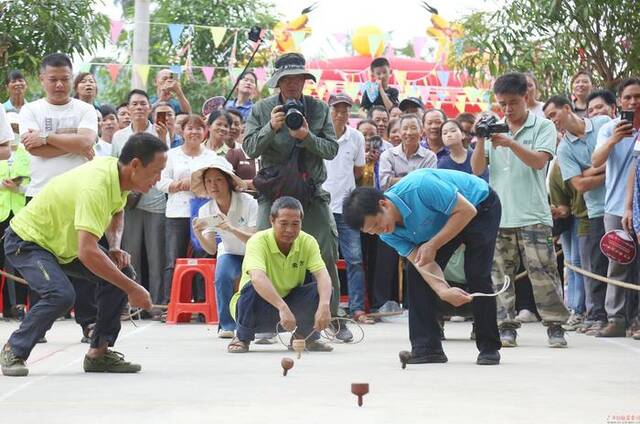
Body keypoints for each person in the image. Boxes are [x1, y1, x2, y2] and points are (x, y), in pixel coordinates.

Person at [0, 133, 167, 377]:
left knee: (120, 272)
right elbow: (87, 252)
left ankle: (99, 353)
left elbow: (117, 212)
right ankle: (14, 349)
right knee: (60, 295)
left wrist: (114, 246)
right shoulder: (96, 186)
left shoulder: (118, 175)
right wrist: (133, 289)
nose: (158, 179)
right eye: (156, 171)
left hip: (62, 243)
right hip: (29, 240)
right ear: (135, 165)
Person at [343, 168, 503, 365]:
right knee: (416, 273)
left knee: (477, 273)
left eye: (377, 224)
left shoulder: (420, 186)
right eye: (372, 231)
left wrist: (433, 244)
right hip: (444, 221)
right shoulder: (386, 233)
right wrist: (443, 291)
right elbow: (422, 263)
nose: (380, 231)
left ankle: (489, 347)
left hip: (479, 206)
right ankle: (427, 348)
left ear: (383, 204)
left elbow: (466, 210)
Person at [243, 52, 345, 337]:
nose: (292, 84)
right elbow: (250, 149)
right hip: (274, 195)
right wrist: (271, 127)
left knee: (325, 252)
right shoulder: (262, 109)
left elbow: (332, 150)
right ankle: (263, 323)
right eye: (286, 79)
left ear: (304, 81)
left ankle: (331, 318)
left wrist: (306, 136)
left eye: (297, 78)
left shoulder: (318, 109)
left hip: (311, 194)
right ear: (277, 82)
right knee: (261, 253)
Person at [471, 72, 570, 348]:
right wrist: (481, 138)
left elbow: (539, 162)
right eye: (502, 104)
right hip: (499, 215)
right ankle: (505, 327)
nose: (507, 109)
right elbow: (477, 169)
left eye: (513, 102)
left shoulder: (543, 127)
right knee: (500, 276)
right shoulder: (494, 128)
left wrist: (512, 143)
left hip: (534, 214)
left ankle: (555, 326)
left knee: (544, 273)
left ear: (526, 97)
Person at [226, 197, 333, 353]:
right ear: (272, 220)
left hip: (290, 307)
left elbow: (322, 275)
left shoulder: (308, 241)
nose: (289, 230)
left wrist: (324, 306)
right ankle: (242, 337)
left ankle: (305, 336)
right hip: (255, 310)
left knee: (323, 290)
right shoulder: (257, 241)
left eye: (295, 224)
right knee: (250, 288)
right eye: (283, 224)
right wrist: (282, 307)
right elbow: (257, 278)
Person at [543, 95, 611, 333]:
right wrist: (610, 171)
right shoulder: (564, 148)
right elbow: (579, 186)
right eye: (548, 119)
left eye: (553, 115)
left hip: (622, 203)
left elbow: (620, 151)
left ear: (567, 108)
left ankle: (623, 317)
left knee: (625, 264)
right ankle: (596, 316)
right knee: (593, 266)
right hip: (592, 211)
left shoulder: (603, 123)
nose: (553, 121)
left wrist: (589, 170)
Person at [111, 89, 168, 309]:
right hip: (128, 202)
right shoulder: (119, 136)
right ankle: (133, 303)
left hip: (154, 201)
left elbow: (166, 165)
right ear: (128, 108)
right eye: (134, 104)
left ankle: (154, 304)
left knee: (156, 257)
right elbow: (116, 167)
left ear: (150, 108)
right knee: (129, 254)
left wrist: (163, 138)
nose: (139, 108)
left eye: (143, 104)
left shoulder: (160, 132)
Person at [592, 77, 640, 337]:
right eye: (628, 97)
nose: (633, 102)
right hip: (614, 207)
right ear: (619, 102)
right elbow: (596, 160)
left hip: (639, 207)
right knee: (618, 262)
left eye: (638, 97)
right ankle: (616, 319)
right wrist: (614, 140)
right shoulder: (609, 128)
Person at [156, 115, 217, 316]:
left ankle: (202, 304)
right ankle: (169, 305)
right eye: (190, 128)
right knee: (173, 259)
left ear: (205, 132)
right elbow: (161, 182)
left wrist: (198, 185)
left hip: (204, 213)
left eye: (199, 129)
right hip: (177, 213)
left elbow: (218, 181)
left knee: (204, 257)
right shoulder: (171, 155)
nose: (194, 132)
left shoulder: (211, 157)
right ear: (182, 131)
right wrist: (181, 185)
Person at [191, 157, 257, 337]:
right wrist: (197, 233)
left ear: (228, 181)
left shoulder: (249, 202)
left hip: (253, 252)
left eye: (218, 179)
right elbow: (211, 249)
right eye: (208, 181)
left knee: (254, 283)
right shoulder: (206, 209)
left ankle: (257, 325)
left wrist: (231, 228)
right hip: (229, 252)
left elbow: (254, 239)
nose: (213, 185)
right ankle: (227, 325)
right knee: (221, 276)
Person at [323, 93, 367, 321]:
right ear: (328, 110)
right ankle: (324, 307)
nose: (340, 114)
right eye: (336, 109)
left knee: (355, 259)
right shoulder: (319, 135)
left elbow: (359, 171)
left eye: (345, 110)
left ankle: (357, 308)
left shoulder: (357, 137)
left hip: (347, 208)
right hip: (321, 208)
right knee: (322, 260)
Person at [379, 114, 437, 190]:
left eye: (413, 128)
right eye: (405, 128)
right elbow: (384, 184)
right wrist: (417, 179)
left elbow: (429, 184)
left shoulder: (429, 157)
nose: (409, 133)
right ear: (399, 132)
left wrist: (394, 180)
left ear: (421, 132)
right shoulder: (388, 155)